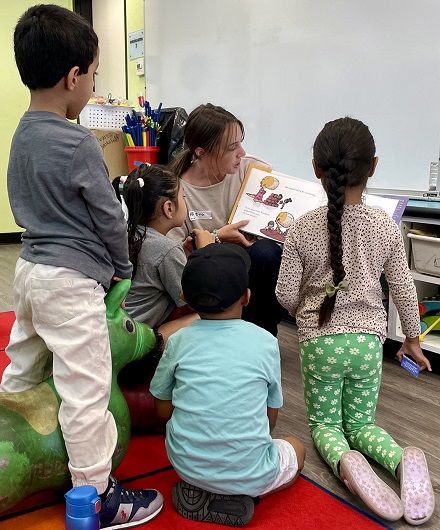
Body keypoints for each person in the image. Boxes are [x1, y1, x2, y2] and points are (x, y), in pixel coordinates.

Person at [0, 5, 163, 527]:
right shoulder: (78, 143)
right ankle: (97, 491)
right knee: (86, 388)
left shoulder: (21, 134)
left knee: (24, 354)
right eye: (93, 76)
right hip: (71, 284)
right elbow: (110, 218)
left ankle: (10, 414)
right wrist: (120, 266)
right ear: (74, 77)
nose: (92, 86)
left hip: (30, 270)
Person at [276, 117, 435, 525]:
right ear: (374, 166)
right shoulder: (385, 225)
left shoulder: (300, 228)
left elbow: (283, 293)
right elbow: (402, 286)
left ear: (315, 169)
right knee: (362, 422)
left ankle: (347, 462)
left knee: (327, 424)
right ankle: (400, 459)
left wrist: (306, 316)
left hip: (319, 343)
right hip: (368, 344)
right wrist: (412, 340)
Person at [150, 243, 306, 526]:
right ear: (247, 297)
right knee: (297, 448)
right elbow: (270, 420)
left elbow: (162, 411)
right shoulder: (266, 343)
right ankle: (247, 497)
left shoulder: (177, 342)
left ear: (184, 297)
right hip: (251, 470)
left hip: (186, 466)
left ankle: (205, 489)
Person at [168, 103, 284, 336]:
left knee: (266, 252)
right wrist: (216, 238)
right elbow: (173, 255)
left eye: (241, 142)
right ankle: (234, 338)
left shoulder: (250, 168)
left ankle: (264, 336)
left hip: (253, 267)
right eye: (232, 147)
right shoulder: (178, 191)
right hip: (211, 275)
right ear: (201, 152)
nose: (241, 152)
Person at [112, 164, 214, 387]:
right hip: (130, 361)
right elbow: (200, 301)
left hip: (108, 346)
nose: (185, 203)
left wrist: (184, 255)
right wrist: (206, 253)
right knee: (209, 318)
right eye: (184, 197)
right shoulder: (167, 250)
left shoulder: (123, 234)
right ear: (169, 208)